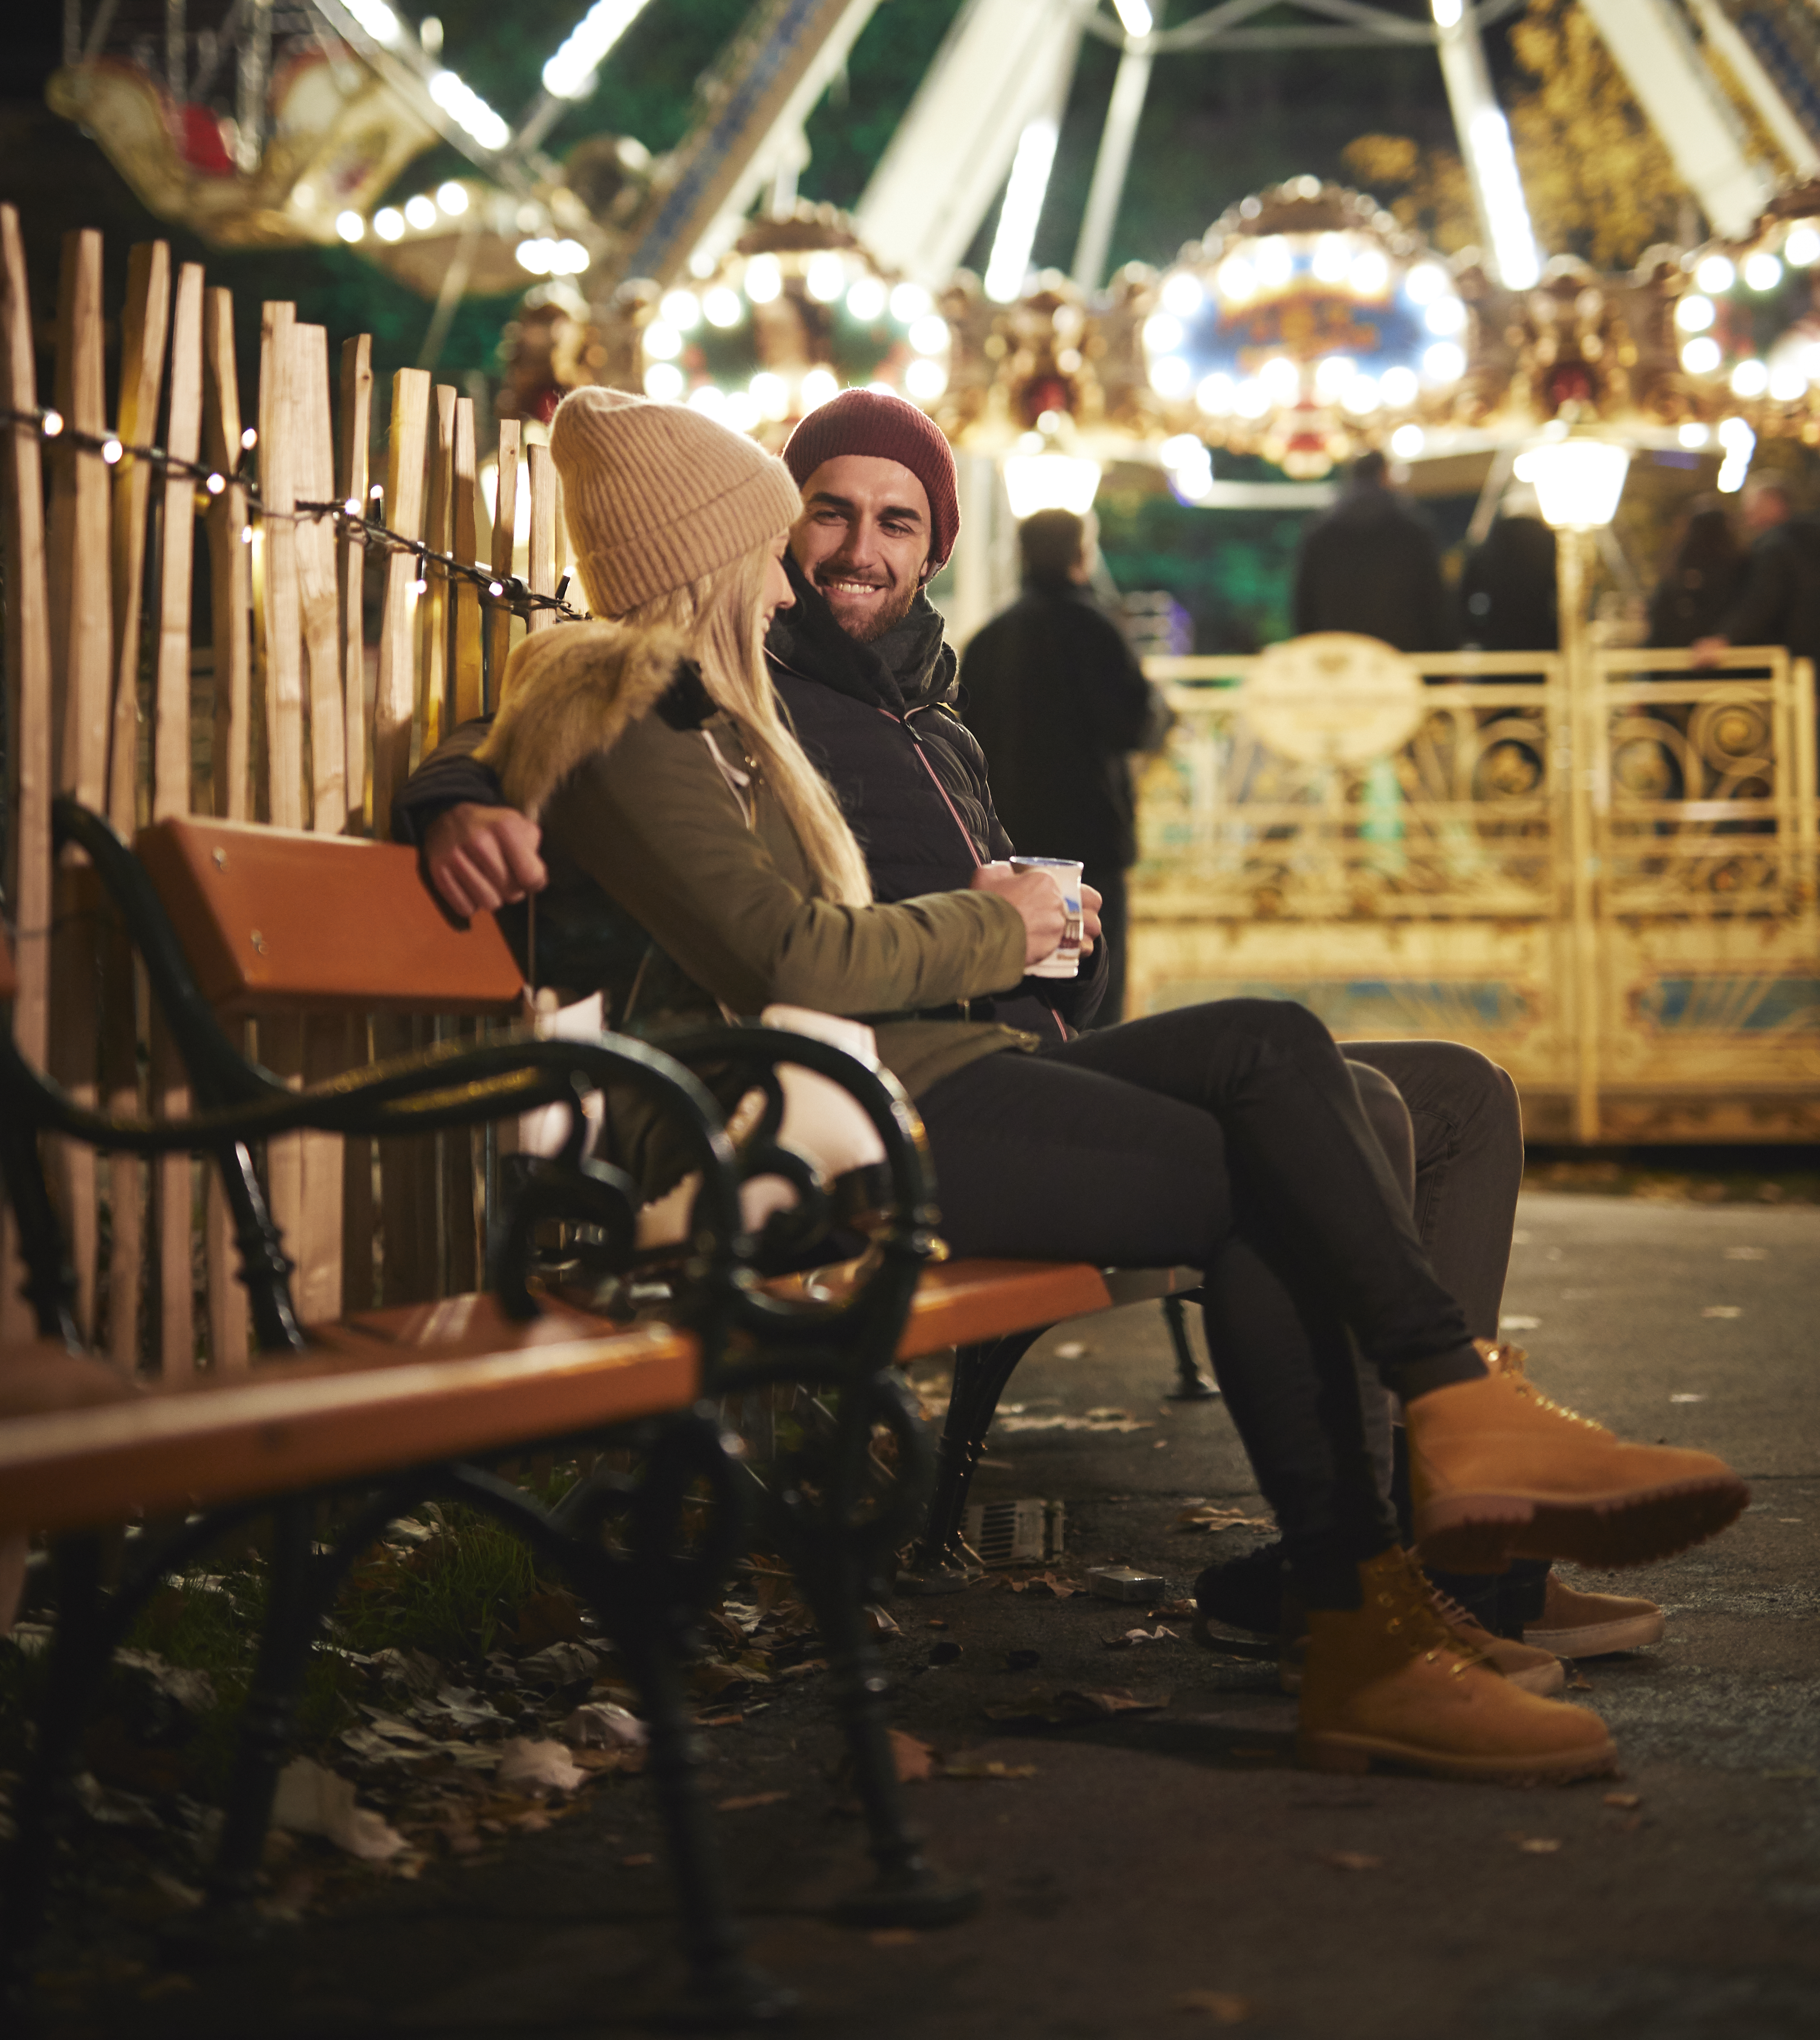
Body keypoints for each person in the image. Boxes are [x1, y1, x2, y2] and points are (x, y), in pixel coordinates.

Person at [412, 386, 1746, 1783]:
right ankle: (1381, 1581)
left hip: (969, 1055)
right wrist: (455, 792)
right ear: (737, 542)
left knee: (1306, 1055)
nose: (829, 556)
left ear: (936, 549)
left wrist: (1055, 946)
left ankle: (1443, 1472)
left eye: (894, 521)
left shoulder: (892, 705)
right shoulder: (663, 695)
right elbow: (595, 793)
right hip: (845, 1100)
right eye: (803, 519)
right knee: (1281, 1172)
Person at [958, 505, 1168, 1025]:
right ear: (1082, 554)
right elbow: (1136, 725)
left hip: (1012, 844)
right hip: (1090, 843)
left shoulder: (988, 639)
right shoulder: (1096, 629)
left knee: (1025, 994)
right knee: (1095, 987)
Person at [1294, 449, 1454, 653]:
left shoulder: (1319, 531)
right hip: (1402, 657)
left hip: (1338, 658)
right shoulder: (1414, 530)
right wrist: (1445, 652)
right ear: (1385, 475)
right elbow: (1435, 599)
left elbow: (1304, 603)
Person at [1690, 475, 1820, 686]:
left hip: (1794, 659)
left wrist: (1725, 638)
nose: (1746, 513)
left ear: (1774, 503)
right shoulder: (1806, 540)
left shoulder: (1773, 547)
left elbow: (1763, 600)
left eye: (1752, 504)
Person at [1460, 487, 1558, 653]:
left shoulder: (1486, 548)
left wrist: (1475, 633)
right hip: (1544, 644)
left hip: (1496, 644)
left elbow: (1465, 596)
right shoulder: (1552, 547)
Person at [1648, 496, 1742, 650]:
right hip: (1727, 657)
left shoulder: (1680, 565)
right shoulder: (1739, 567)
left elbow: (1659, 619)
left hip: (1677, 659)